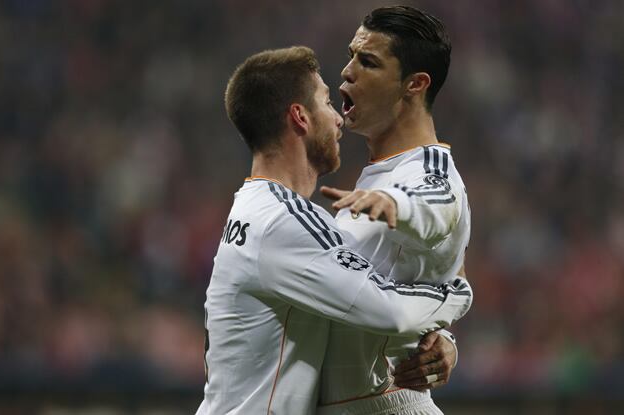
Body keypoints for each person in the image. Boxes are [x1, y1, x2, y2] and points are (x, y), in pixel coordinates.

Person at [196, 46, 472, 414]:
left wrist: (443, 341)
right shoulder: (285, 222)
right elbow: (389, 310)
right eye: (326, 102)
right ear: (300, 117)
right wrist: (455, 295)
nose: (339, 119)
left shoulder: (258, 210)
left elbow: (353, 314)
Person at [316, 5, 471, 415]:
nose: (347, 71)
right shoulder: (377, 177)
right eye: (351, 55)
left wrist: (397, 204)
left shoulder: (429, 172)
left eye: (367, 62)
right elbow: (450, 273)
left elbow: (435, 204)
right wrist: (444, 337)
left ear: (414, 84)